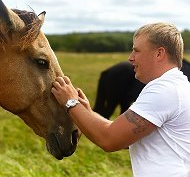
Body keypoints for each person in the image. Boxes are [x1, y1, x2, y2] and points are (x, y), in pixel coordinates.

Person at [51, 22, 190, 177]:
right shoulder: (178, 86)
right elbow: (124, 132)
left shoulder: (165, 90)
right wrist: (87, 112)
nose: (130, 58)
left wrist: (70, 102)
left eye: (136, 51)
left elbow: (109, 139)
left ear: (159, 53)